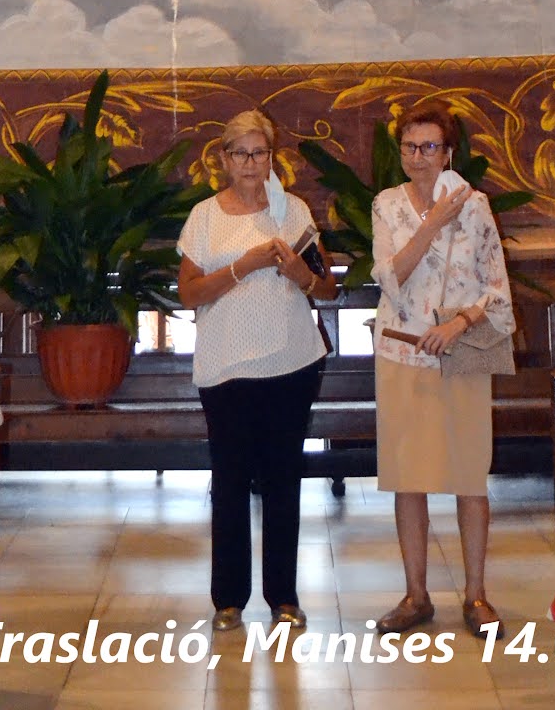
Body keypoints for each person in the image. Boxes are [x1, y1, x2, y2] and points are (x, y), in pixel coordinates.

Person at [177, 109, 337, 632]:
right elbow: (189, 293)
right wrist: (242, 266)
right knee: (229, 481)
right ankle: (228, 600)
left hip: (290, 362)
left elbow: (327, 286)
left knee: (283, 479)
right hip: (226, 367)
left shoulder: (293, 211)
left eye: (260, 152)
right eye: (241, 153)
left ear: (272, 157)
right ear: (224, 159)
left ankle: (283, 598)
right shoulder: (205, 217)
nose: (251, 163)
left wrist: (299, 273)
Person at [371, 100, 514, 637]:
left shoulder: (475, 206)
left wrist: (459, 322)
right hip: (401, 352)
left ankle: (477, 595)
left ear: (448, 152)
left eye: (429, 146)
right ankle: (416, 595)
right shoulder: (387, 205)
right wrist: (431, 223)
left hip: (459, 352)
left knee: (468, 475)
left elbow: (497, 288)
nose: (418, 156)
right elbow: (390, 276)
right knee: (408, 478)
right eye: (409, 147)